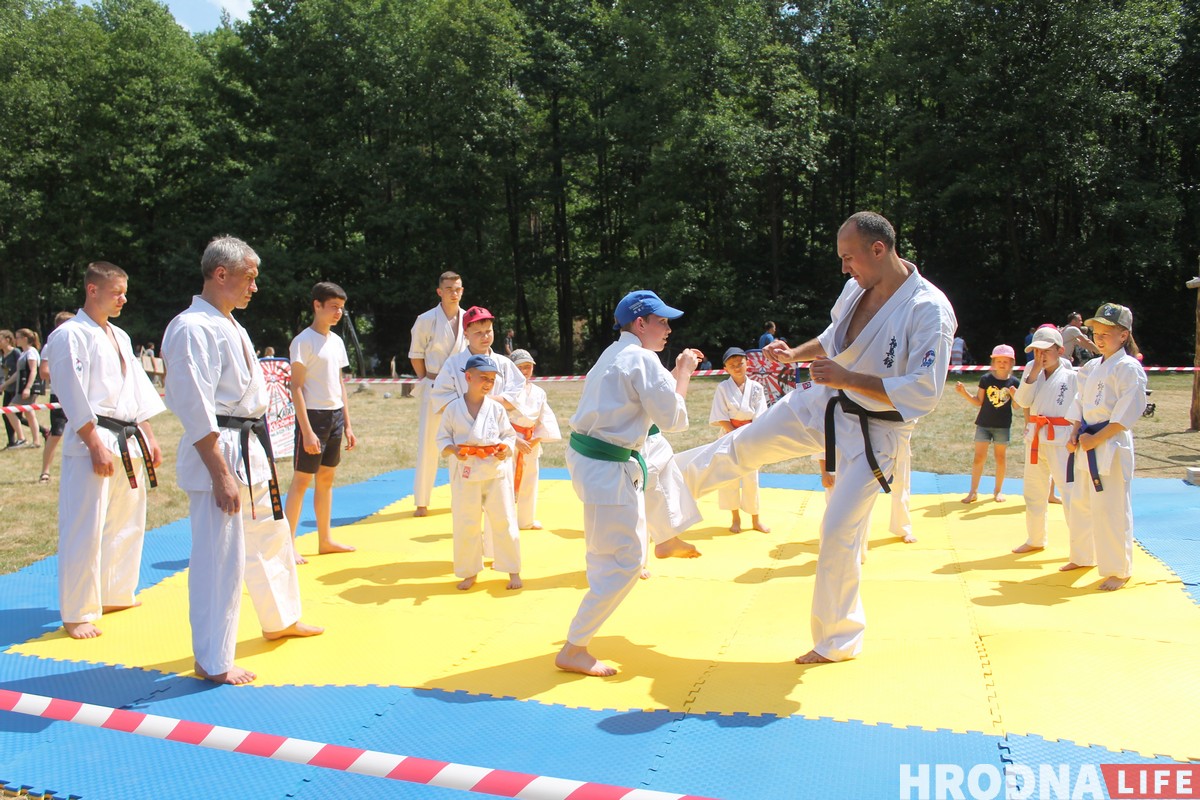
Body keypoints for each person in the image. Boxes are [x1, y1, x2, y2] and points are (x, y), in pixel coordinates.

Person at [676, 211, 957, 664]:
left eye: (849, 258)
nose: (845, 268)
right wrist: (794, 354)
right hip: (823, 401)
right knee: (742, 446)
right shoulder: (855, 289)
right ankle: (662, 498)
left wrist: (849, 376)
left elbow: (924, 391)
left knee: (838, 530)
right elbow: (832, 337)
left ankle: (838, 639)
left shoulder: (928, 310)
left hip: (876, 432)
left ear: (878, 249)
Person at [162, 235, 322, 685]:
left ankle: (281, 618)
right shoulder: (192, 327)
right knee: (221, 556)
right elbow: (194, 405)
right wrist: (219, 472)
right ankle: (212, 659)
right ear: (221, 274)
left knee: (270, 535)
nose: (255, 287)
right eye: (249, 278)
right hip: (221, 447)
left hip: (249, 444)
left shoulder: (230, 323)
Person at [556, 290, 699, 677]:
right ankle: (575, 647)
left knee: (660, 456)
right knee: (625, 563)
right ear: (641, 323)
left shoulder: (616, 354)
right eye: (662, 322)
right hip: (605, 466)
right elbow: (672, 416)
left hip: (597, 459)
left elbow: (652, 407)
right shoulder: (642, 358)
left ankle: (666, 536)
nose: (668, 329)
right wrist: (684, 371)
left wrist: (673, 374)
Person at [43, 263, 166, 639]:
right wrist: (93, 441)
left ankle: (115, 592)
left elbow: (136, 390)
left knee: (127, 520)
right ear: (92, 290)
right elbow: (70, 390)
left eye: (124, 292)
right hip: (93, 436)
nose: (123, 299)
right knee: (86, 525)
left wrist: (148, 435)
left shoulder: (121, 336)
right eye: (117, 292)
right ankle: (77, 611)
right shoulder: (70, 334)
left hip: (126, 437)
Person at [1062, 303, 1146, 591]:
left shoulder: (1128, 367)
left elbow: (1127, 412)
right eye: (1096, 332)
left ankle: (1118, 569)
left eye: (1107, 333)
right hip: (1087, 442)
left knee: (1111, 507)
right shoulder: (1090, 367)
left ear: (1123, 335)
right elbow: (1080, 403)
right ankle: (1082, 556)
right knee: (1081, 503)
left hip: (1110, 442)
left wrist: (1097, 438)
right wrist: (1074, 432)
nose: (1099, 338)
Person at [283, 282, 358, 564]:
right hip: (312, 418)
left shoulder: (336, 341)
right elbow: (296, 388)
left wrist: (348, 424)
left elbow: (339, 383)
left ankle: (325, 539)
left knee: (326, 479)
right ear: (317, 305)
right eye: (333, 307)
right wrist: (307, 431)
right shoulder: (303, 341)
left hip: (335, 415)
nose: (338, 312)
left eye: (341, 307)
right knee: (302, 480)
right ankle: (287, 544)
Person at [437, 354, 522, 591]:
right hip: (467, 473)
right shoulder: (453, 409)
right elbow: (443, 437)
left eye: (492, 379)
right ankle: (469, 571)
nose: (487, 383)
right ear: (468, 377)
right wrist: (454, 450)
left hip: (495, 472)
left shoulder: (496, 408)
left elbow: (508, 435)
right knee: (467, 523)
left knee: (504, 520)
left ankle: (513, 569)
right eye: (483, 377)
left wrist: (506, 448)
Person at [1011, 327, 1076, 554]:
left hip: (1061, 439)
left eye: (1046, 351)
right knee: (1033, 491)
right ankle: (1035, 539)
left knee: (1069, 493)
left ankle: (1081, 548)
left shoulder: (1071, 375)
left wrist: (1076, 434)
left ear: (1060, 350)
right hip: (1036, 437)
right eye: (1037, 351)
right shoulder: (1031, 369)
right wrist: (1033, 373)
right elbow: (1020, 402)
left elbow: (1079, 409)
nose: (1041, 356)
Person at [408, 271, 467, 517]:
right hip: (434, 385)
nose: (454, 293)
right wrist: (429, 380)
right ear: (439, 292)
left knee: (461, 443)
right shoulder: (425, 319)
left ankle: (462, 497)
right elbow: (416, 355)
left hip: (462, 387)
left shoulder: (469, 318)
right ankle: (422, 501)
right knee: (429, 444)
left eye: (458, 289)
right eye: (449, 289)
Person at [709, 347, 770, 533]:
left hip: (750, 435)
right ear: (725, 368)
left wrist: (749, 435)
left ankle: (755, 519)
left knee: (751, 478)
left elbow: (761, 415)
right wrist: (733, 432)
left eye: (740, 363)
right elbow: (720, 415)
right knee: (730, 478)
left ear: (747, 364)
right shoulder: (723, 388)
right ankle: (735, 518)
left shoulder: (757, 388)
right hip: (729, 435)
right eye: (732, 365)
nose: (737, 367)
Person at [954, 344, 1019, 503]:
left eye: (1005, 361)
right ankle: (973, 491)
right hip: (983, 424)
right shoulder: (986, 379)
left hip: (1003, 426)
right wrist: (964, 393)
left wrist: (1015, 395)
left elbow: (1017, 407)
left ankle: (998, 491)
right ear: (993, 362)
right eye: (999, 361)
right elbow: (978, 402)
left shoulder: (1014, 382)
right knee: (978, 458)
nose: (1002, 364)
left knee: (1000, 458)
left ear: (1011, 363)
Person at [506, 349, 561, 530]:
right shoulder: (505, 392)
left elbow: (544, 419)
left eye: (528, 367)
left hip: (531, 440)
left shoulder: (539, 392)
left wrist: (535, 439)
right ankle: (505, 518)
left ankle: (526, 520)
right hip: (509, 439)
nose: (524, 371)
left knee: (530, 480)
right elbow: (499, 418)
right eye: (520, 367)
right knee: (505, 480)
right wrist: (516, 440)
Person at [38, 311, 76, 484]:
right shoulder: (50, 345)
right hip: (59, 394)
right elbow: (44, 372)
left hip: (79, 395)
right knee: (56, 434)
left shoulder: (79, 343)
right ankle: (45, 471)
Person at [11, 329, 44, 448]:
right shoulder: (24, 352)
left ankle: (21, 438)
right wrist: (5, 385)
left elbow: (34, 370)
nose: (15, 340)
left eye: (18, 337)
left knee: (9, 410)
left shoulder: (31, 352)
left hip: (27, 388)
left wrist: (28, 388)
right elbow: (18, 373)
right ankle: (36, 441)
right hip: (22, 387)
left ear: (25, 339)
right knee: (30, 413)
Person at [1, 329, 25, 448]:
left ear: (7, 340)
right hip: (8, 389)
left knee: (17, 416)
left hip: (16, 388)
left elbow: (20, 371)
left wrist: (5, 384)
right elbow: (3, 373)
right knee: (6, 414)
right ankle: (11, 441)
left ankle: (43, 431)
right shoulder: (3, 355)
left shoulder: (15, 352)